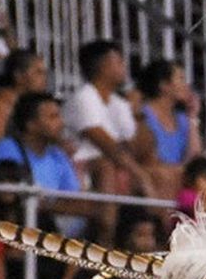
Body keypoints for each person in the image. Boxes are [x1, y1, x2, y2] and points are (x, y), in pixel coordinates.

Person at [63, 40, 153, 203]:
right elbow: (107, 146)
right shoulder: (84, 98)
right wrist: (141, 175)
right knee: (107, 167)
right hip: (83, 167)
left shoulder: (120, 103)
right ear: (103, 67)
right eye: (119, 61)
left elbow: (140, 149)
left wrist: (137, 114)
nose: (124, 66)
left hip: (117, 167)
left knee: (166, 173)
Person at [135, 59, 202, 197]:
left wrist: (192, 117)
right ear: (164, 86)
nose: (186, 86)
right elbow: (146, 158)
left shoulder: (183, 119)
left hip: (178, 176)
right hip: (154, 177)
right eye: (181, 79)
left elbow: (195, 158)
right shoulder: (143, 114)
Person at [0, 49, 47, 151]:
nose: (44, 78)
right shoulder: (0, 104)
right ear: (19, 76)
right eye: (38, 72)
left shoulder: (36, 103)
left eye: (44, 73)